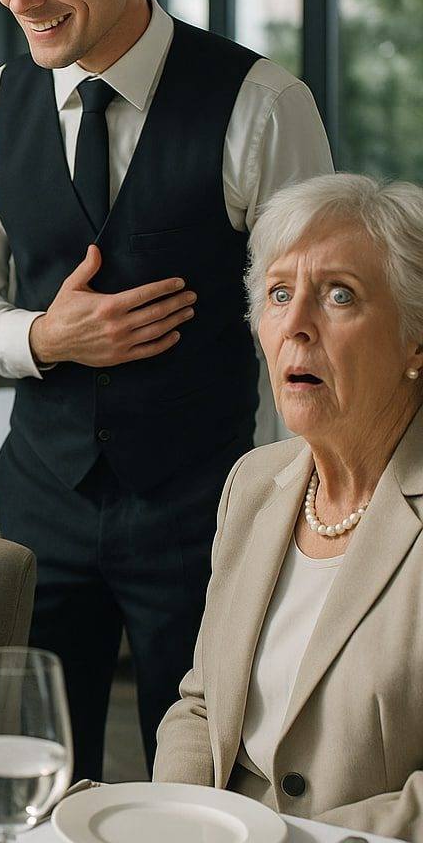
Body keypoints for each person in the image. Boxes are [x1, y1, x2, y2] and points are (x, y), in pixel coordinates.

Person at [0, 0, 334, 778]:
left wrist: (301, 508)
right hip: (39, 503)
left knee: (206, 771)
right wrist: (42, 336)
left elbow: (308, 334)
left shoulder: (262, 107)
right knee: (27, 763)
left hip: (209, 510)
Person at [154, 173, 423, 841]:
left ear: (416, 342)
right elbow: (200, 705)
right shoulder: (255, 483)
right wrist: (177, 822)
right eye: (279, 294)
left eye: (339, 295)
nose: (296, 325)